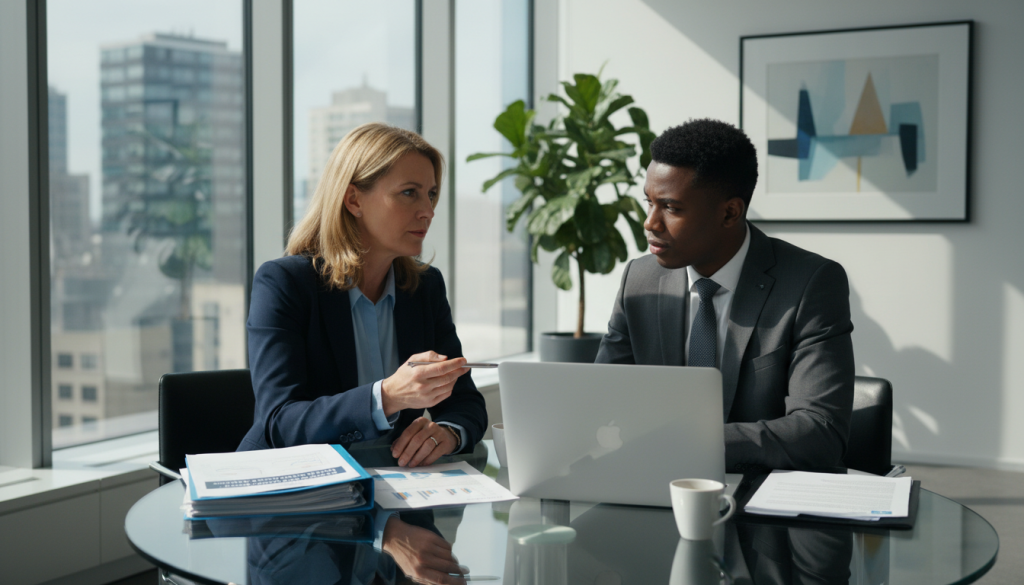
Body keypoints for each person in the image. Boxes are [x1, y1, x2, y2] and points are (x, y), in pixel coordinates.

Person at [595, 119, 854, 473]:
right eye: (649, 203)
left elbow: (820, 431)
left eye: (671, 208)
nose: (650, 223)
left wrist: (687, 442)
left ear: (730, 212)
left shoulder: (810, 283)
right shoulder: (639, 280)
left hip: (759, 500)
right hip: (652, 483)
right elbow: (601, 399)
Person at [238, 123, 487, 468]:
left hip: (395, 487)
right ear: (354, 199)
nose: (428, 211)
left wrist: (447, 432)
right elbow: (280, 423)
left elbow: (464, 402)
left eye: (430, 194)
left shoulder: (425, 288)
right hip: (290, 494)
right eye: (409, 193)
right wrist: (387, 396)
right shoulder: (284, 283)